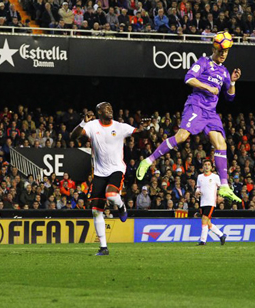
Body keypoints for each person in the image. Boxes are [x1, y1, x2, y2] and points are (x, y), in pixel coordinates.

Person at [136, 32, 242, 203]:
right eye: (221, 51)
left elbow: (230, 97)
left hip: (210, 112)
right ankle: (148, 161)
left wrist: (234, 82)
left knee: (221, 143)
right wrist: (208, 87)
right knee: (182, 136)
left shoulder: (224, 71)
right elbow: (189, 78)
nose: (223, 55)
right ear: (214, 48)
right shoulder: (203, 62)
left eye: (226, 52)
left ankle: (223, 186)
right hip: (196, 105)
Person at [71, 102, 150, 256]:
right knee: (96, 210)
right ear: (99, 111)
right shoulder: (92, 126)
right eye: (106, 109)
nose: (110, 110)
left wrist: (145, 129)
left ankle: (121, 207)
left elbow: (140, 134)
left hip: (116, 169)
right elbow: (74, 136)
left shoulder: (120, 126)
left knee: (112, 195)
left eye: (111, 108)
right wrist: (83, 122)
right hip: (100, 172)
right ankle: (103, 247)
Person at [195, 159, 227, 246]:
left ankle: (203, 241)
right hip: (202, 202)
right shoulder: (200, 177)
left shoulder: (215, 177)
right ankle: (221, 235)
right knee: (207, 222)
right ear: (203, 166)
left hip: (211, 202)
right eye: (205, 164)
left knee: (204, 220)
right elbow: (198, 188)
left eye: (208, 164)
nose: (207, 166)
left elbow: (221, 188)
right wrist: (197, 192)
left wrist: (220, 196)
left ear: (211, 167)